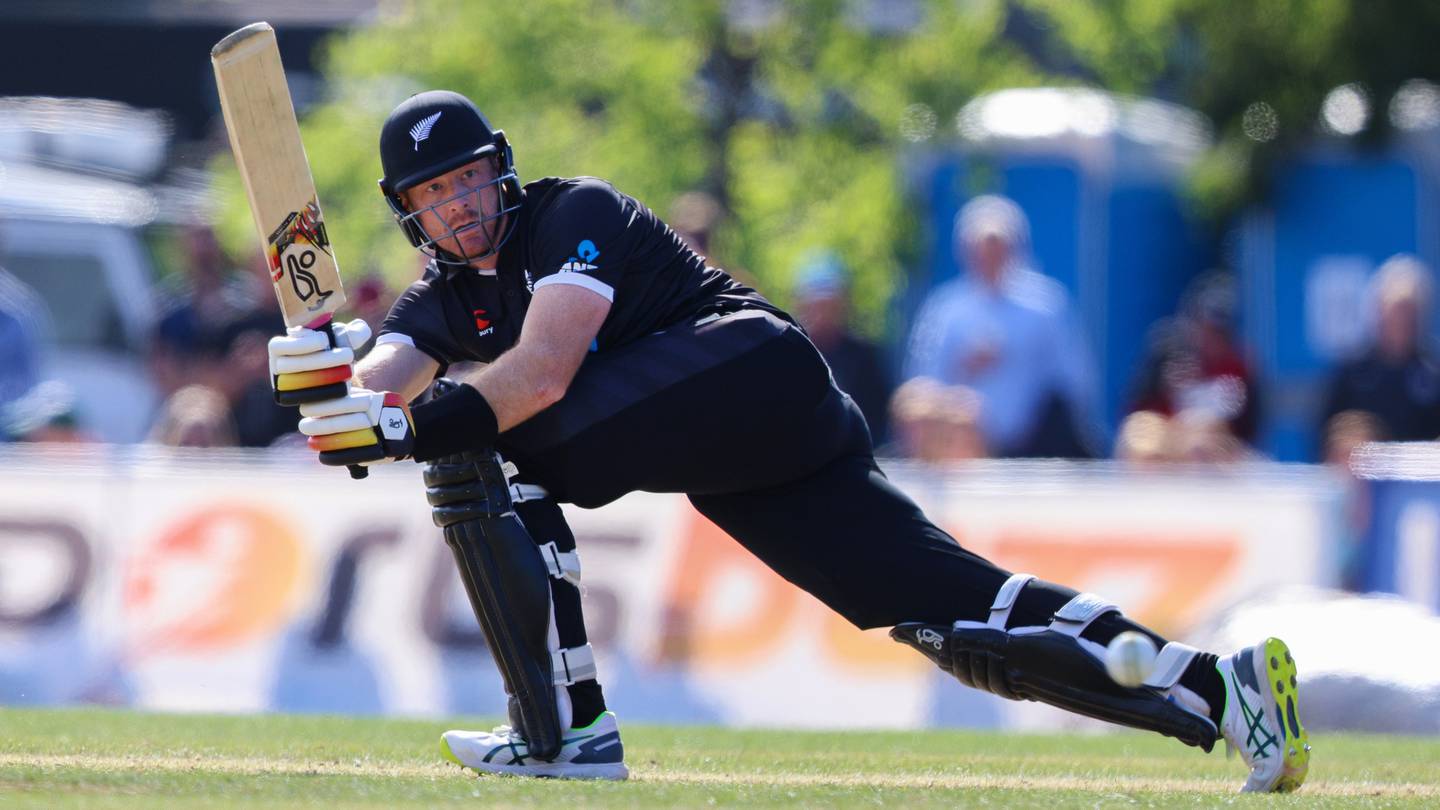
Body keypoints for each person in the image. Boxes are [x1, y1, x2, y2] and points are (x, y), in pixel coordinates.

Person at [264, 91, 1309, 790]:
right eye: (434, 195)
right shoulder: (441, 300)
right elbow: (375, 393)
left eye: (467, 179)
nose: (458, 206)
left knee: (510, 442)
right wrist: (325, 385)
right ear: (411, 215)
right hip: (739, 456)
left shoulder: (568, 215)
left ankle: (567, 729)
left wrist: (394, 424)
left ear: (500, 171)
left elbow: (539, 374)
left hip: (750, 372)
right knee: (949, 621)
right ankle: (1226, 691)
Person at [903, 195, 1099, 458]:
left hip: (1033, 450)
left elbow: (1073, 378)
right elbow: (922, 381)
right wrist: (965, 369)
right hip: (960, 453)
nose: (989, 257)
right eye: (981, 248)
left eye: (998, 247)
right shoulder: (944, 309)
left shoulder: (1045, 306)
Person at [1319, 255, 1440, 450]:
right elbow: (1326, 437)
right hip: (1363, 476)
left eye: (1409, 312)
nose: (1401, 321)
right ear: (1378, 313)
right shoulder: (1351, 374)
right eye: (1395, 311)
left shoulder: (1433, 372)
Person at [1129, 271, 1260, 446]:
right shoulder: (1165, 353)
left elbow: (1250, 428)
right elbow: (1135, 413)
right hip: (1162, 455)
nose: (1209, 338)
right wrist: (1166, 389)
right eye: (1204, 327)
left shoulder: (1238, 368)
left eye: (1219, 332)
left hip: (1216, 459)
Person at [790, 252, 892, 443]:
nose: (823, 313)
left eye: (830, 304)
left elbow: (878, 418)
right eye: (817, 305)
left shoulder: (865, 356)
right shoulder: (788, 352)